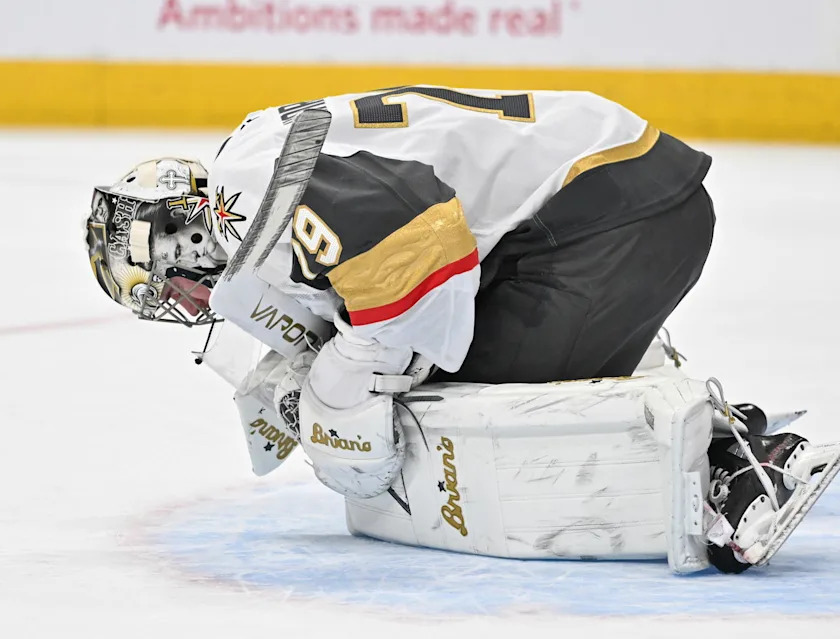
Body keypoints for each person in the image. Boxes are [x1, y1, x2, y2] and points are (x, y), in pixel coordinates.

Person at [84, 86, 837, 573]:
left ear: (180, 233)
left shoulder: (247, 197)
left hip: (611, 215)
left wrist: (348, 380)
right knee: (441, 355)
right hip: (619, 200)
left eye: (168, 283)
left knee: (454, 384)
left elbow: (414, 240)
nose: (183, 300)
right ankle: (716, 432)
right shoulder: (253, 168)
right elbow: (392, 248)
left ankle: (735, 465)